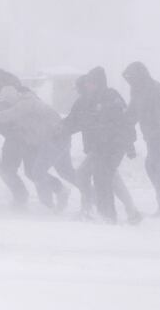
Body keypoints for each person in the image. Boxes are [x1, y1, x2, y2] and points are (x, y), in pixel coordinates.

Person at [62, 74, 141, 223]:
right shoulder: (85, 101)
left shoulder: (107, 97)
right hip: (98, 147)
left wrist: (129, 145)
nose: (83, 89)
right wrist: (60, 129)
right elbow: (73, 121)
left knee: (89, 175)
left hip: (107, 147)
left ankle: (97, 212)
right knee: (104, 178)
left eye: (86, 85)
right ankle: (129, 212)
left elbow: (124, 121)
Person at [0, 85, 71, 211]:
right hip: (43, 140)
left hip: (54, 139)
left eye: (7, 103)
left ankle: (55, 197)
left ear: (12, 99)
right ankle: (56, 195)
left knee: (37, 172)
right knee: (33, 172)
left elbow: (6, 115)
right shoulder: (20, 103)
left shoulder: (26, 103)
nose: (6, 105)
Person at [123, 62, 160, 216]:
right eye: (128, 79)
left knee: (156, 166)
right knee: (154, 167)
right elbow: (131, 115)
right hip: (152, 137)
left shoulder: (157, 90)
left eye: (132, 78)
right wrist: (127, 138)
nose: (130, 81)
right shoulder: (138, 91)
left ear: (140, 75)